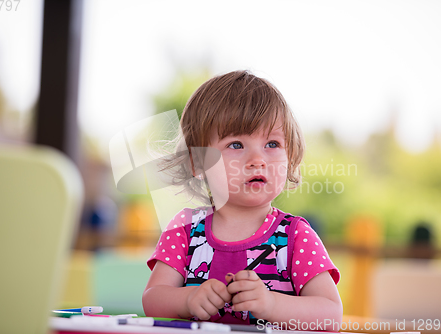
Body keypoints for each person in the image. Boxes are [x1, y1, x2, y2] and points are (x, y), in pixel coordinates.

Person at [142, 70, 342, 329]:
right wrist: (188, 299)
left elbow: (331, 316)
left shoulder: (296, 236)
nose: (257, 160)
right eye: (236, 145)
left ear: (289, 156)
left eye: (272, 144)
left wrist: (271, 304)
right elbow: (152, 299)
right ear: (198, 162)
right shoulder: (185, 229)